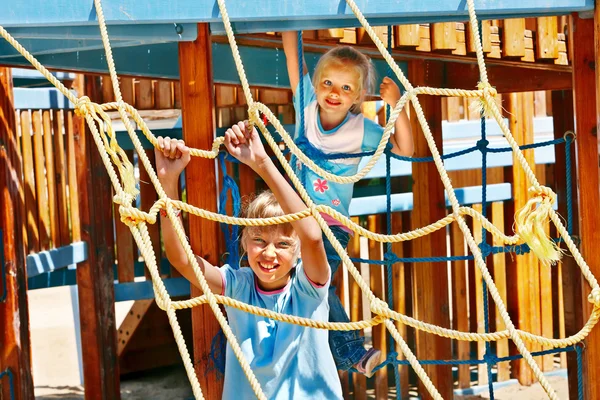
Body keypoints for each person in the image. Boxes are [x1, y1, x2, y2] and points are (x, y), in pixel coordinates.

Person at [155, 121, 343, 400]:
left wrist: (262, 162)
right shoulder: (239, 287)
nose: (269, 253)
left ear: (298, 251)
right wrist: (168, 182)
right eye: (259, 240)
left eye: (282, 244)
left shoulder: (308, 289)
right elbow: (182, 260)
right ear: (244, 241)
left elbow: (313, 237)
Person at [282, 31, 414, 377]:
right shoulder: (306, 107)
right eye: (327, 83)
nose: (334, 93)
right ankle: (335, 351)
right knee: (301, 285)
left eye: (345, 88)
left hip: (331, 227)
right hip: (294, 220)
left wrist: (396, 104)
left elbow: (406, 149)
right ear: (316, 84)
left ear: (357, 96)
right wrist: (287, 20)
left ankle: (353, 351)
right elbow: (293, 56)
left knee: (309, 280)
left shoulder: (362, 129)